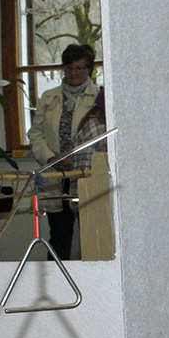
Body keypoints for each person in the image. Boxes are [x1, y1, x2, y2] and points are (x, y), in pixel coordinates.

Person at [27, 43, 101, 260]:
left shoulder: (99, 97)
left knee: (90, 235)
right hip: (55, 175)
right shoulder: (49, 97)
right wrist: (51, 158)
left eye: (80, 67)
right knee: (59, 236)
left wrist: (75, 160)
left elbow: (101, 138)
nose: (74, 72)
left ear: (89, 69)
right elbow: (36, 133)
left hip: (86, 173)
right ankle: (56, 278)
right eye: (69, 67)